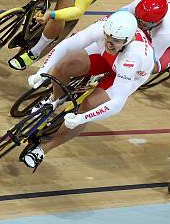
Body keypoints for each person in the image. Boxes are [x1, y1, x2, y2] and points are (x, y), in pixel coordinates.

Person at [20, 11, 154, 169]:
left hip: (126, 73)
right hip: (107, 58)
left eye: (115, 41)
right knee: (65, 65)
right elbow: (66, 46)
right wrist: (41, 72)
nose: (109, 43)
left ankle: (43, 150)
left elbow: (117, 103)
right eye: (107, 37)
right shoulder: (103, 30)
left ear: (128, 39)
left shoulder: (133, 57)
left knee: (88, 105)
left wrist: (82, 118)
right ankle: (55, 100)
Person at [120, 0, 170, 72]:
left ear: (158, 22)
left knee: (149, 68)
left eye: (144, 24)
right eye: (137, 18)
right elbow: (120, 15)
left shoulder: (166, 34)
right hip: (165, 28)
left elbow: (149, 59)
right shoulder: (141, 5)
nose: (139, 24)